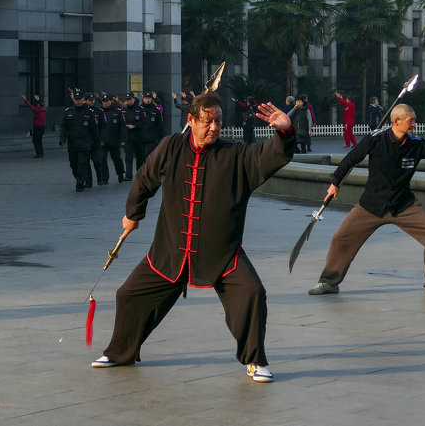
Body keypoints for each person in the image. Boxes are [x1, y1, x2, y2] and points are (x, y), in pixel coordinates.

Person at [90, 92, 296, 383]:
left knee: (253, 293)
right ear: (191, 120)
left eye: (218, 122)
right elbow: (145, 177)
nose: (213, 128)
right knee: (128, 295)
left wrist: (285, 131)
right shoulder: (172, 146)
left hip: (222, 255)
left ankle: (255, 360)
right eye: (207, 122)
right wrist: (133, 213)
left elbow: (271, 155)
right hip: (171, 252)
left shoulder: (236, 155)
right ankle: (121, 353)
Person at [308, 105, 425, 298]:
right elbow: (350, 159)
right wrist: (335, 183)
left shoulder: (416, 143)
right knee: (341, 237)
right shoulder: (375, 139)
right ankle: (329, 282)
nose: (414, 124)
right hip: (371, 205)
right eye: (410, 120)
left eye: (414, 120)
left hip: (404, 205)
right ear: (397, 121)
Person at [60, 91, 101, 191]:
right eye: (76, 100)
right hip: (72, 143)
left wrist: (97, 143)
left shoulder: (89, 112)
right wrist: (62, 139)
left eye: (80, 100)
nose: (78, 101)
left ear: (83, 100)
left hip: (85, 143)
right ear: (74, 100)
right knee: (73, 164)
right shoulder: (68, 111)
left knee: (82, 163)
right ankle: (80, 178)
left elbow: (94, 129)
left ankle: (80, 183)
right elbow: (64, 127)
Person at [99, 94, 130, 182]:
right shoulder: (100, 112)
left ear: (110, 102)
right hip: (103, 140)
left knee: (116, 158)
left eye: (107, 101)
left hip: (114, 139)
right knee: (102, 159)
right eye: (103, 102)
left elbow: (122, 126)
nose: (105, 103)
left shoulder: (117, 111)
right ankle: (105, 177)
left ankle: (120, 173)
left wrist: (123, 139)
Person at [21, 93, 47, 157]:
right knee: (40, 140)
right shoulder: (45, 110)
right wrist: (38, 100)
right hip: (42, 126)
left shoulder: (37, 110)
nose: (37, 105)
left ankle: (38, 153)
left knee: (35, 140)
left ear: (39, 104)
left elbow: (30, 106)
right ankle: (41, 153)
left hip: (37, 126)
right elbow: (41, 104)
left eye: (37, 104)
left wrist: (25, 100)